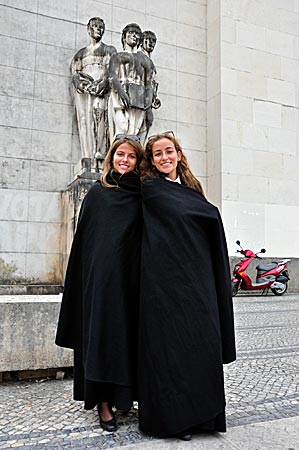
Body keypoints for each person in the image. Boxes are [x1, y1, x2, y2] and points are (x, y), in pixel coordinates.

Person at [138, 132, 236, 440]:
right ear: (151, 161)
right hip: (165, 286)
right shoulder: (151, 189)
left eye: (169, 151)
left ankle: (205, 417)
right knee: (172, 353)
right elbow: (200, 216)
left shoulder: (193, 189)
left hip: (199, 282)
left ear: (179, 154)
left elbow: (203, 220)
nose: (164, 157)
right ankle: (176, 420)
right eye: (157, 154)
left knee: (201, 346)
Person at [55, 135, 144, 432]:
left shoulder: (141, 195)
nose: (125, 160)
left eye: (132, 156)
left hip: (131, 282)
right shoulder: (97, 193)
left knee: (127, 339)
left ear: (137, 161)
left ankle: (126, 396)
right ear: (111, 157)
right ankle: (103, 404)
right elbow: (85, 244)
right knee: (102, 338)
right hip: (101, 284)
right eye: (121, 154)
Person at [71, 17, 117, 163]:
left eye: (101, 27)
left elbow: (112, 72)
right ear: (88, 29)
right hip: (85, 92)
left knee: (100, 118)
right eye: (95, 26)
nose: (98, 29)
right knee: (85, 120)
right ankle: (88, 154)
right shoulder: (80, 54)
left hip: (100, 91)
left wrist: (102, 85)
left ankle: (100, 153)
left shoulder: (109, 50)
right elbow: (75, 74)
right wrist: (82, 84)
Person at [108, 23, 155, 143]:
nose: (134, 36)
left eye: (137, 34)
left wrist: (149, 101)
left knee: (135, 133)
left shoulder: (145, 60)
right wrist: (121, 93)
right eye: (131, 33)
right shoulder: (117, 56)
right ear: (124, 37)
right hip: (120, 97)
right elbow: (112, 77)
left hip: (139, 97)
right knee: (122, 129)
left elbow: (149, 83)